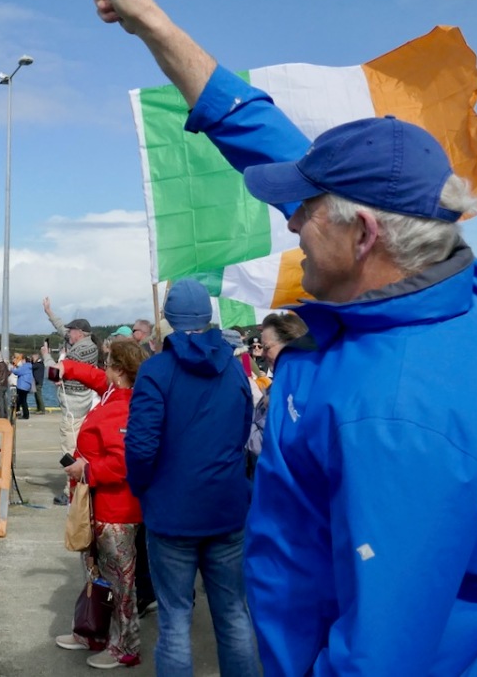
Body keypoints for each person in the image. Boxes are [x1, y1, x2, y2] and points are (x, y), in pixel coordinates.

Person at [88, 0, 477, 675]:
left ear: (363, 234)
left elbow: (381, 654)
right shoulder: (470, 290)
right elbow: (254, 127)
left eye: (304, 212)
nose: (291, 224)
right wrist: (150, 19)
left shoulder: (398, 419)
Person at [125, 279, 259, 677]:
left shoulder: (155, 370)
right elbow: (243, 429)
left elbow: (141, 446)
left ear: (168, 317)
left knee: (175, 620)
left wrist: (143, 489)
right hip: (227, 506)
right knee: (233, 613)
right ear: (207, 316)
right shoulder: (233, 368)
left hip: (172, 511)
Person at [52, 336, 150, 670]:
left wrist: (86, 470)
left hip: (116, 510)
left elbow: (123, 462)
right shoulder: (114, 394)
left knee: (121, 581)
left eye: (107, 364)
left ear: (119, 370)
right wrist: (65, 368)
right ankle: (93, 631)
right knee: (97, 574)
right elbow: (94, 377)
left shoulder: (123, 407)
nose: (102, 369)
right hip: (98, 505)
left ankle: (125, 647)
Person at [44, 297, 100, 505]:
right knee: (80, 447)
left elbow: (54, 373)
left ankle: (71, 492)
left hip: (72, 408)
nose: (68, 333)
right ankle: (77, 489)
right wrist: (49, 313)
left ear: (80, 333)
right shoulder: (87, 345)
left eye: (72, 331)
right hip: (82, 405)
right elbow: (62, 329)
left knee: (69, 449)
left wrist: (46, 356)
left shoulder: (80, 351)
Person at [247, 312, 307, 480]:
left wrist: (239, 425)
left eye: (266, 348)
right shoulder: (281, 383)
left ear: (290, 344)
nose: (262, 353)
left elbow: (265, 443)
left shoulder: (297, 389)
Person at [11, 352, 33, 420]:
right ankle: (22, 413)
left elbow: (17, 372)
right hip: (27, 386)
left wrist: (12, 368)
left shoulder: (25, 366)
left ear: (24, 360)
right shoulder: (30, 366)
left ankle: (25, 415)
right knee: (23, 400)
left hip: (22, 386)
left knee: (22, 401)